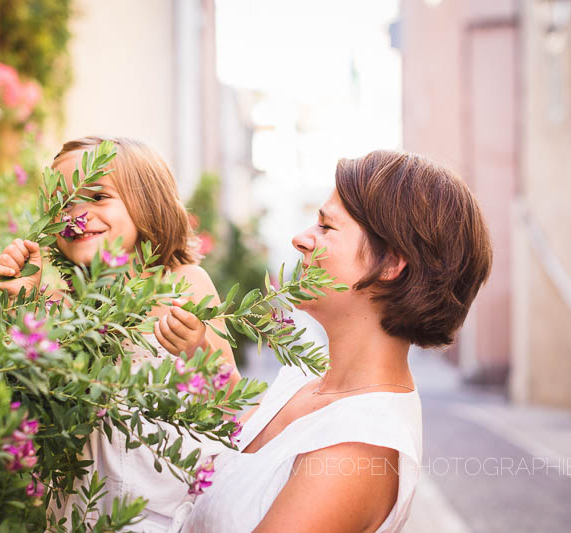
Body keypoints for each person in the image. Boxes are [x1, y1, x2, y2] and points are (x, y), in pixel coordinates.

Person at [180, 150, 492, 532]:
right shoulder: (306, 382)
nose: (300, 239)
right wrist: (202, 349)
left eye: (326, 227)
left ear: (392, 263)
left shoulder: (359, 448)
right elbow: (237, 464)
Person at [0, 136, 239, 532]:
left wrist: (198, 349)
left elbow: (233, 406)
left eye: (98, 195)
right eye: (63, 203)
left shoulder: (183, 283)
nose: (76, 216)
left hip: (164, 515)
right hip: (79, 517)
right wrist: (24, 301)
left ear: (147, 202)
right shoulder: (58, 303)